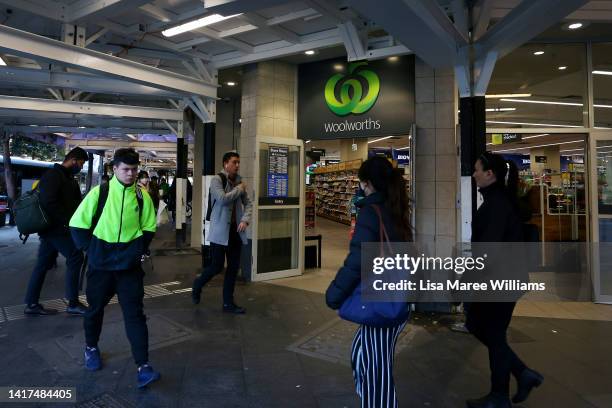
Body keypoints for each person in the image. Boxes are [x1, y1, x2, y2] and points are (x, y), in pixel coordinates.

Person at [325, 157, 412, 408]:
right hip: (395, 295)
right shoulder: (393, 208)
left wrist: (335, 293)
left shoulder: (371, 213)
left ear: (368, 183)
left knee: (376, 371)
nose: (359, 187)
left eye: (361, 182)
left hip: (382, 301)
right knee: (360, 354)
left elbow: (358, 259)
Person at [69, 148, 160, 388]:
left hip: (129, 269)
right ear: (115, 169)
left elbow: (149, 226)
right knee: (95, 310)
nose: (131, 174)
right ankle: (91, 348)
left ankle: (143, 366)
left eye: (134, 169)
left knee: (135, 315)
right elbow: (77, 225)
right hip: (101, 268)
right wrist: (93, 250)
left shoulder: (142, 197)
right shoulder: (99, 194)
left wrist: (137, 249)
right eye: (126, 169)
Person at [466, 152, 543, 408]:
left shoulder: (496, 204)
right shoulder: (497, 201)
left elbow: (488, 250)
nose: (474, 173)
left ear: (490, 174)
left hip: (500, 280)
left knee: (493, 334)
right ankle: (522, 374)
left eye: (477, 169)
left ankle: (500, 396)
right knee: (480, 326)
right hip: (504, 278)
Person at [23, 147, 89, 316]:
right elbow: (49, 203)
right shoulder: (53, 176)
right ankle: (73, 303)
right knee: (75, 256)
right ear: (73, 160)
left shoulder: (68, 178)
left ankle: (31, 304)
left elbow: (74, 202)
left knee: (42, 265)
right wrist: (67, 222)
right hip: (54, 229)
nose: (80, 167)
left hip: (54, 230)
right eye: (80, 163)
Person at [191, 151, 252, 314]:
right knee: (216, 267)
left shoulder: (240, 182)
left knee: (233, 268)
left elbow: (249, 203)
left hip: (235, 233)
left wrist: (245, 220)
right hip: (219, 233)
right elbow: (223, 199)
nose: (237, 165)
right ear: (226, 164)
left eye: (238, 162)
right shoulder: (217, 180)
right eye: (234, 162)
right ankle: (198, 284)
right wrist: (239, 189)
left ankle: (228, 303)